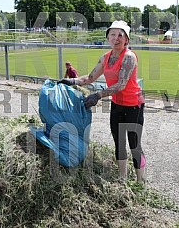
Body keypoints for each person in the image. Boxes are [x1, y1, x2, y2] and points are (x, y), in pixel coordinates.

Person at [58, 20, 146, 182]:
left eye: (121, 35)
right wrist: (72, 81)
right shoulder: (105, 58)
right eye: (112, 34)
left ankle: (141, 181)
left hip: (134, 105)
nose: (116, 38)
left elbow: (121, 84)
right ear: (108, 38)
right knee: (119, 143)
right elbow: (90, 78)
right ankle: (122, 179)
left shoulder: (128, 57)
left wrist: (97, 95)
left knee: (134, 145)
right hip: (117, 105)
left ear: (127, 39)